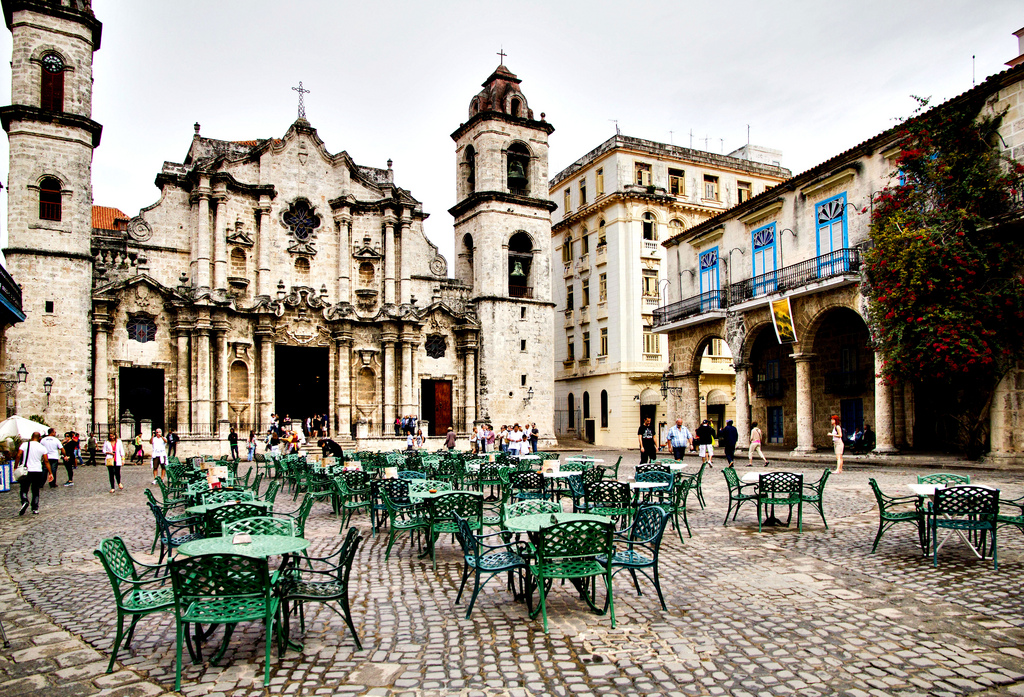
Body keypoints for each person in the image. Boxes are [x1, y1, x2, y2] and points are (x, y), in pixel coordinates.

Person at [17, 431, 52, 515]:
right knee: (35, 490)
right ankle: (35, 508)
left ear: (31, 437)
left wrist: (15, 466)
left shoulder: (25, 445)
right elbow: (46, 461)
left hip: (27, 470)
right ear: (39, 438)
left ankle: (25, 500)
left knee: (24, 488)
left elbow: (18, 455)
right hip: (38, 470)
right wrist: (50, 473)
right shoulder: (42, 447)